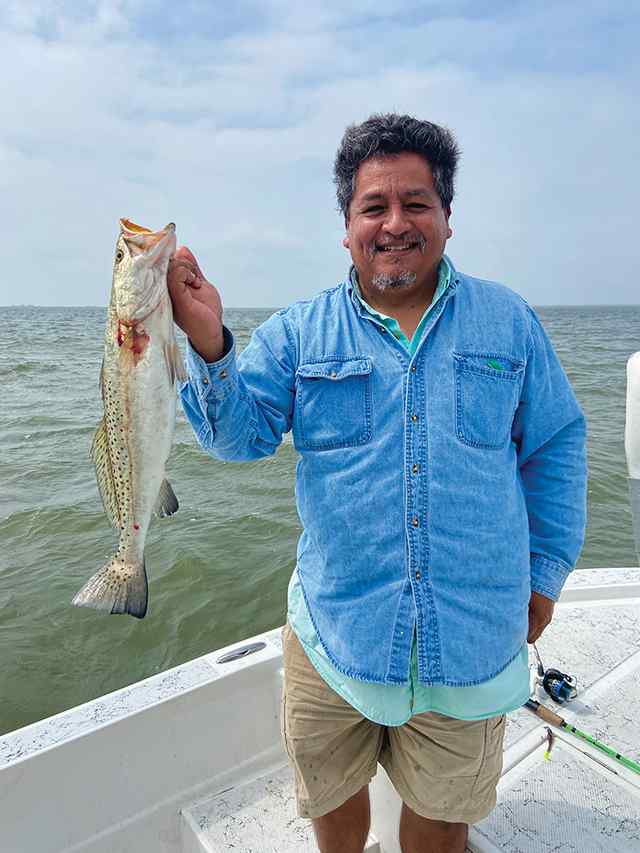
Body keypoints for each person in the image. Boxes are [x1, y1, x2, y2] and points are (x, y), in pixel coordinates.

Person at [168, 113, 587, 853]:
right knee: (332, 799)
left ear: (447, 219)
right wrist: (209, 341)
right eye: (374, 207)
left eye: (416, 203)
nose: (395, 223)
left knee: (442, 816)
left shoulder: (510, 322)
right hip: (336, 636)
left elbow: (555, 449)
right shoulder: (299, 333)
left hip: (473, 639)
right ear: (347, 226)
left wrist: (546, 575)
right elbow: (239, 437)